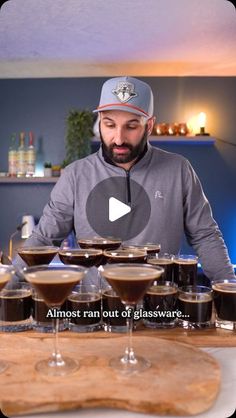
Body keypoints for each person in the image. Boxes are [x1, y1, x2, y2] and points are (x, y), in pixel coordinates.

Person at [14, 76, 235, 281]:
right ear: (99, 122)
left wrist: (230, 290)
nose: (118, 138)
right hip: (96, 310)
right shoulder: (75, 175)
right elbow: (42, 240)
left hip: (161, 307)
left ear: (148, 126)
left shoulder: (178, 170)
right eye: (110, 125)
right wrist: (6, 290)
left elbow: (205, 236)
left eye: (131, 126)